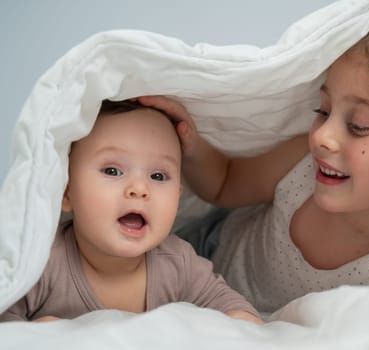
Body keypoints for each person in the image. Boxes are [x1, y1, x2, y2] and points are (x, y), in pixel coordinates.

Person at [137, 8, 369, 312]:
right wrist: (190, 144)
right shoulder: (302, 165)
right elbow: (223, 183)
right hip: (202, 257)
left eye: (360, 126)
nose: (322, 136)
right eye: (323, 109)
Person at [0, 100, 262, 323]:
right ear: (66, 192)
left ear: (178, 196)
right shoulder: (41, 263)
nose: (139, 188)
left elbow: (235, 309)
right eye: (112, 171)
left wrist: (239, 323)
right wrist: (36, 334)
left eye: (158, 175)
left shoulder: (177, 263)